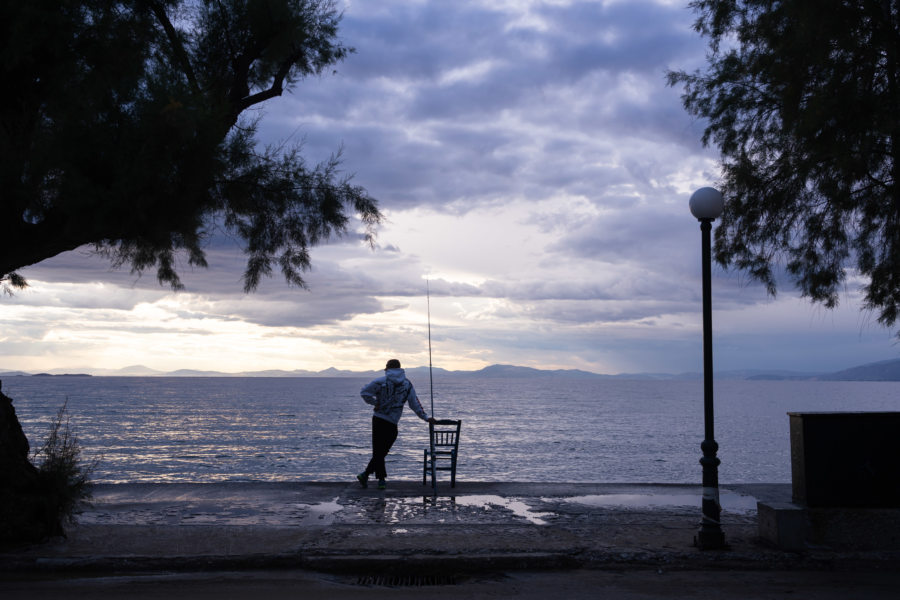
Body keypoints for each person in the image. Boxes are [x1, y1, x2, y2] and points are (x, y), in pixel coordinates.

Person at [357, 358, 434, 490]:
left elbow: (364, 393)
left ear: (387, 368)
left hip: (378, 419)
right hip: (393, 421)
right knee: (382, 450)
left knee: (378, 451)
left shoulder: (380, 381)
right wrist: (425, 417)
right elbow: (414, 403)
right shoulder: (407, 384)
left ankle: (368, 475)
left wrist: (376, 403)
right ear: (400, 368)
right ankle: (379, 479)